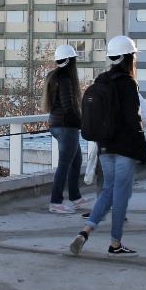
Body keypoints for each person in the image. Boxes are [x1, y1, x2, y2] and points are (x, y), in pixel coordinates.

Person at [69, 36, 146, 256]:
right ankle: (115, 244)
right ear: (129, 57)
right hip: (125, 147)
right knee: (121, 194)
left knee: (107, 190)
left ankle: (85, 231)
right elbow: (134, 119)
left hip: (104, 145)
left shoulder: (101, 80)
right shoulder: (128, 83)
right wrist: (142, 147)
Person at [44, 44, 90, 214]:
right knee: (64, 165)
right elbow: (69, 108)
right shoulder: (65, 79)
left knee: (76, 162)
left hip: (56, 125)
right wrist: (82, 124)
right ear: (71, 61)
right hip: (66, 127)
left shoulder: (53, 76)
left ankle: (75, 198)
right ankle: (56, 202)